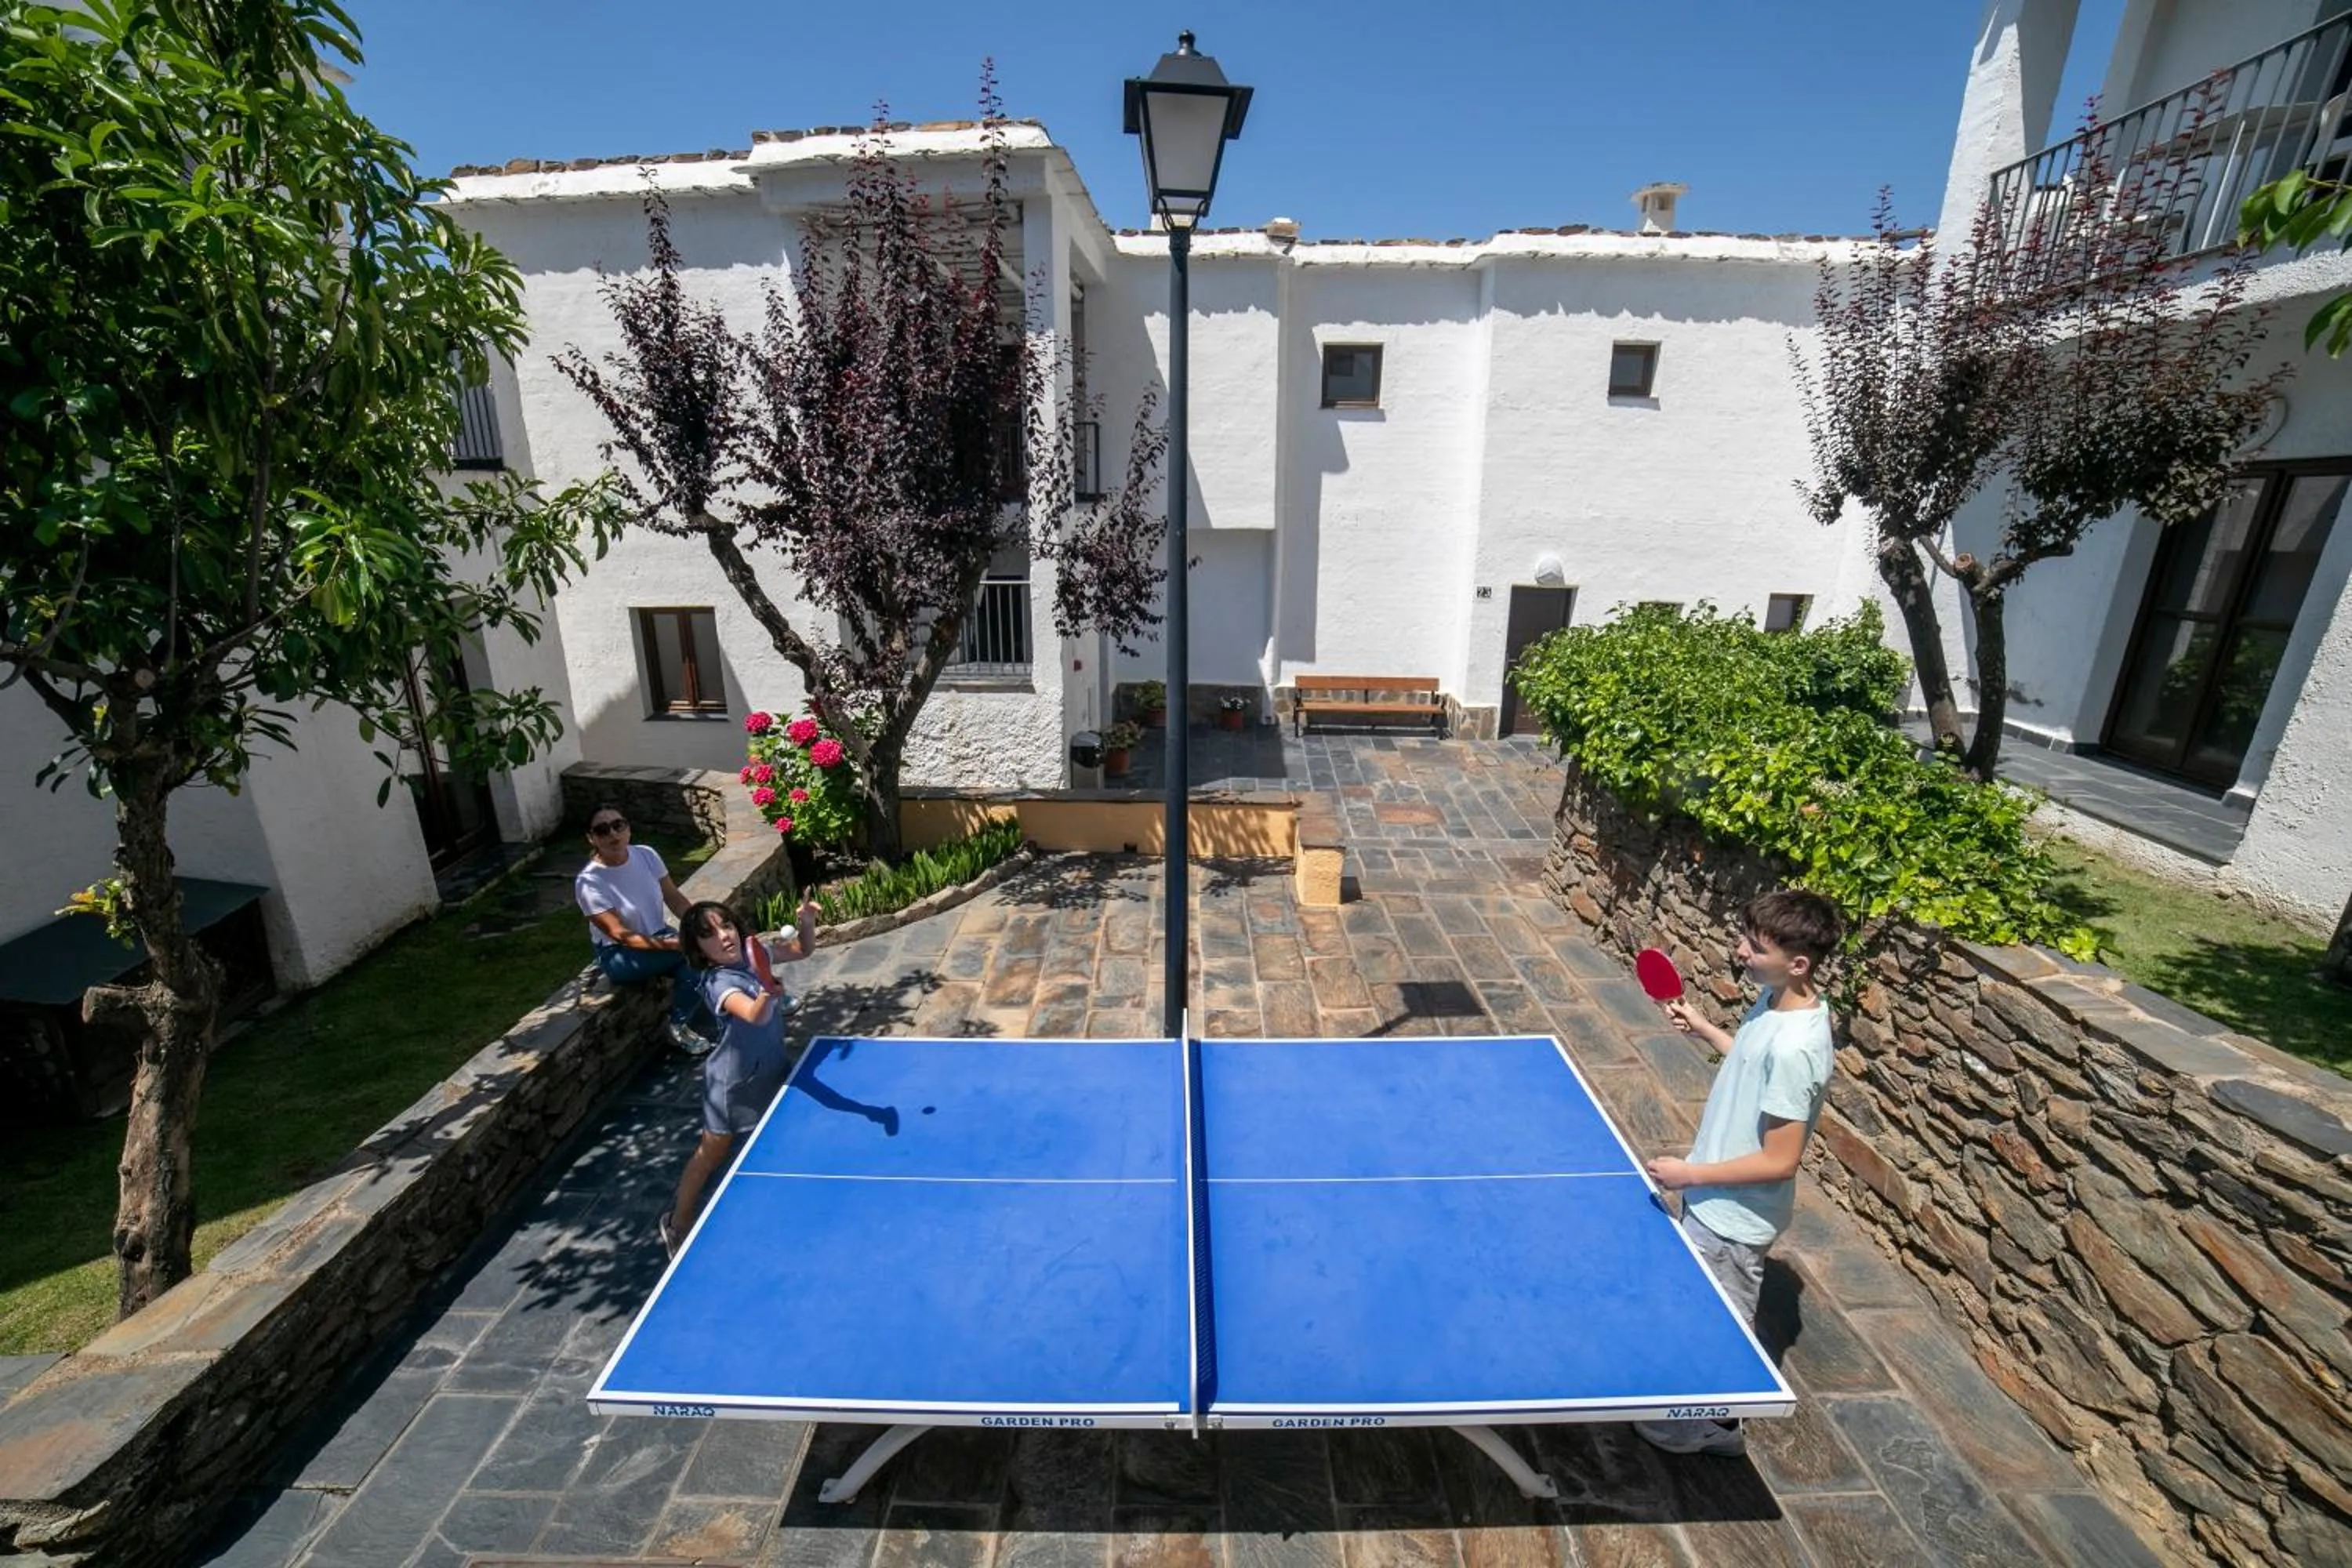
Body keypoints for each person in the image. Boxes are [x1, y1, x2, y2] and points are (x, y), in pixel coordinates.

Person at [1636, 888, 1842, 1457]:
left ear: (1798, 962)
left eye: (1753, 946)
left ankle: (1713, 1427)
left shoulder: (1799, 1048)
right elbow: (1753, 1060)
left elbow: (1781, 1159)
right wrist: (1705, 1027)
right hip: (1714, 1196)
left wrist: (1690, 1175)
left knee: (1717, 1325)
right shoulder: (1778, 1001)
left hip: (1732, 1213)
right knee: (1699, 1306)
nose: (1739, 951)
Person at [662, 891, 821, 1258]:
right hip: (731, 1086)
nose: (724, 936)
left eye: (726, 926)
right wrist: (768, 993)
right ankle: (677, 1222)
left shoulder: (755, 954)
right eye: (709, 934)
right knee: (712, 1154)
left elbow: (801, 949)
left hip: (769, 1067)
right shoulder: (718, 982)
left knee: (775, 1135)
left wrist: (807, 923)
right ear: (700, 950)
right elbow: (752, 1014)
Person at [575, 805, 712, 1056]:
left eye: (619, 825)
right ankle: (679, 1026)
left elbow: (674, 897)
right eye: (602, 830)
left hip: (657, 935)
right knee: (699, 952)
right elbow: (621, 935)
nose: (613, 835)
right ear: (591, 838)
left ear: (628, 827)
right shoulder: (589, 882)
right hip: (619, 954)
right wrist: (680, 944)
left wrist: (700, 924)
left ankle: (690, 1019)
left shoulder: (646, 855)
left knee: (698, 960)